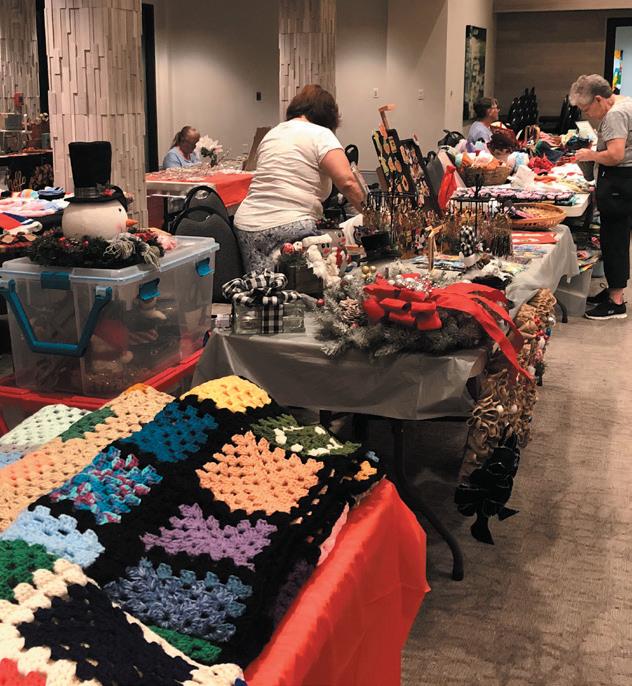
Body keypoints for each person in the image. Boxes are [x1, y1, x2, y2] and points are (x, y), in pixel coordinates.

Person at [233, 84, 363, 272]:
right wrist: (374, 216)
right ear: (329, 115)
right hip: (292, 223)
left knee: (265, 284)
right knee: (332, 273)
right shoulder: (321, 134)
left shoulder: (273, 133)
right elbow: (348, 183)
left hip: (247, 227)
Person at [571, 74, 632, 320]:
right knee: (617, 236)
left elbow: (616, 155)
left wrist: (589, 155)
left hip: (619, 181)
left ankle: (616, 302)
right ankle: (613, 292)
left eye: (587, 109)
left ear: (599, 99)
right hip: (623, 182)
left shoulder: (615, 114)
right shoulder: (626, 102)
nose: (588, 115)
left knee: (614, 238)